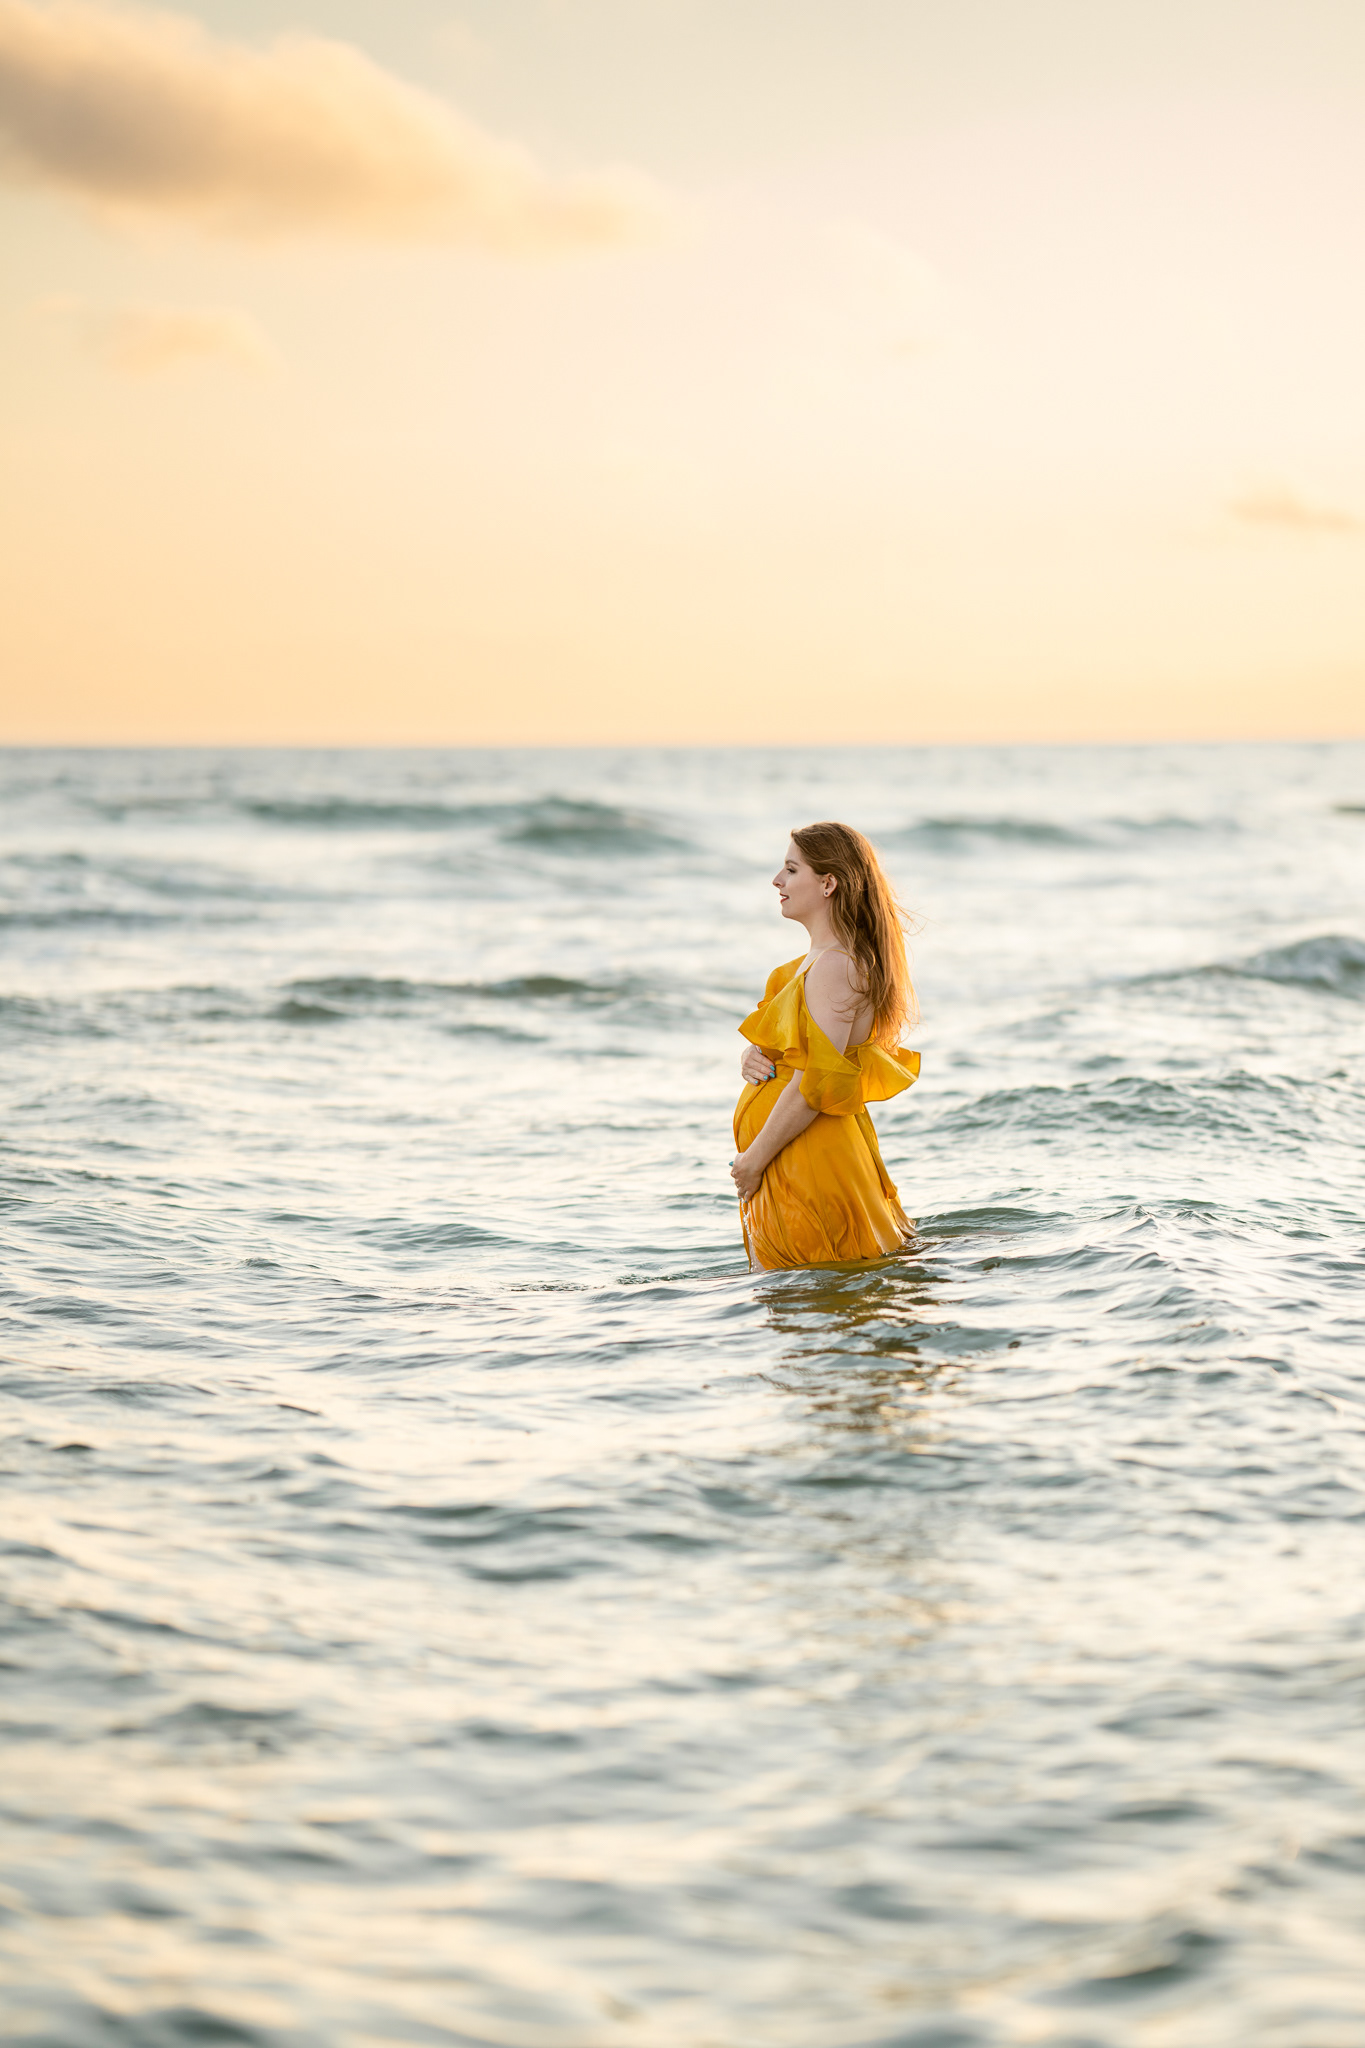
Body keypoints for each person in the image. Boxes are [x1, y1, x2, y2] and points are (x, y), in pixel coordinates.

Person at [730, 821, 920, 1270]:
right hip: (791, 1155)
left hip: (808, 1157)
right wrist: (754, 1058)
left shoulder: (836, 966)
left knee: (815, 1304)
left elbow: (817, 1081)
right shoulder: (805, 966)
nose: (777, 881)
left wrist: (753, 1161)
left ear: (828, 882)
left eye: (792, 870)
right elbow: (800, 1055)